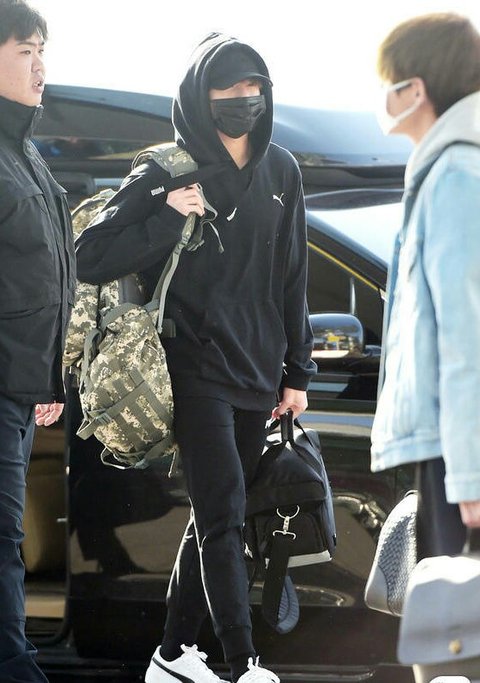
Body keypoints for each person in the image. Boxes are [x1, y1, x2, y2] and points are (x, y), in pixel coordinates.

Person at [75, 32, 316, 683]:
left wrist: (298, 372)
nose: (245, 98)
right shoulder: (166, 169)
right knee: (222, 514)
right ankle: (242, 663)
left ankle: (173, 651)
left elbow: (293, 276)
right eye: (230, 88)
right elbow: (90, 255)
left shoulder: (283, 171)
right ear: (199, 96)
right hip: (193, 366)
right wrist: (165, 215)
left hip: (258, 369)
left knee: (216, 511)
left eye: (254, 86)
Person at [371, 12, 480, 567]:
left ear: (415, 89)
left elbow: (467, 335)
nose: (382, 97)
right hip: (452, 446)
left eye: (387, 82)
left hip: (458, 455)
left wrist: (469, 473)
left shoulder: (455, 176)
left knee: (453, 613)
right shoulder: (446, 168)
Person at [0, 1, 76, 681]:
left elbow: (42, 278)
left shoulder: (24, 154)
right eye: (25, 51)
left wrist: (45, 377)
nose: (40, 66)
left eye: (42, 51)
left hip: (20, 392)